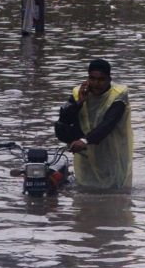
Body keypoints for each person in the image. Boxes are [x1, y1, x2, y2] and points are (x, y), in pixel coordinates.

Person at [54, 59, 133, 190]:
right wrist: (79, 102)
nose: (96, 84)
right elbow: (64, 119)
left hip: (112, 151)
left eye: (101, 79)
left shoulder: (119, 95)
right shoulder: (78, 92)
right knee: (85, 191)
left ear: (109, 79)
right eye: (93, 78)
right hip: (85, 152)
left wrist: (85, 140)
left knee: (115, 193)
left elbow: (108, 124)